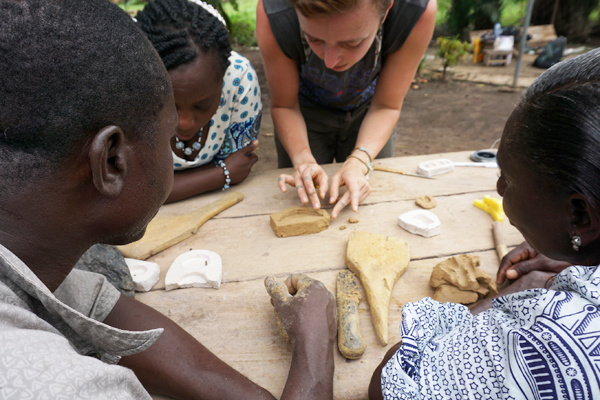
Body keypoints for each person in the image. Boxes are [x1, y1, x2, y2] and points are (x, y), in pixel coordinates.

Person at [0, 1, 335, 398]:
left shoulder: (30, 255)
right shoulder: (63, 388)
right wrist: (315, 342)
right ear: (112, 161)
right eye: (168, 133)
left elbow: (98, 308)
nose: (186, 131)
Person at [369, 48, 600, 399]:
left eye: (508, 178)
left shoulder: (556, 346)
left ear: (581, 215)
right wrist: (581, 257)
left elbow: (395, 381)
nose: (499, 188)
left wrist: (503, 299)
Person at [256, 0, 437, 218]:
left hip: (371, 111)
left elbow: (386, 106)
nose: (331, 62)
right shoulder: (274, 12)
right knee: (300, 205)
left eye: (352, 43)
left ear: (387, 7)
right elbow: (285, 105)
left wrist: (360, 161)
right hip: (302, 114)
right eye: (313, 39)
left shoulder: (416, 11)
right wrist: (303, 160)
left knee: (371, 208)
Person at [136, 0, 262, 204]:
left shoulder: (239, 80)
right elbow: (131, 193)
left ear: (223, 81)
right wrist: (220, 174)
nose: (184, 122)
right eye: (170, 106)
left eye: (202, 106)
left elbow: (241, 165)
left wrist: (163, 184)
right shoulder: (127, 86)